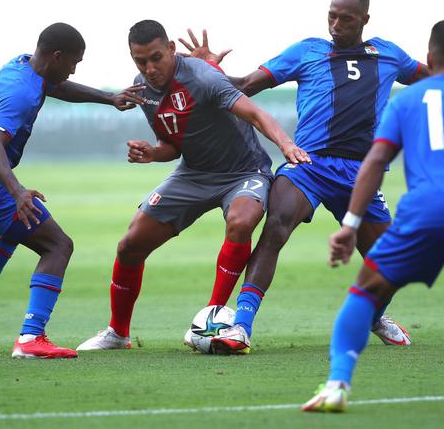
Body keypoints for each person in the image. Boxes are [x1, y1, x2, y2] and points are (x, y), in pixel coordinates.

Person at [179, 0, 444, 354]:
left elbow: (442, 77)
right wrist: (208, 69)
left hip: (359, 173)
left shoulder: (388, 54)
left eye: (346, 18)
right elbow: (243, 87)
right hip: (308, 164)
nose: (336, 24)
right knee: (276, 226)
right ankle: (240, 326)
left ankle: (374, 317)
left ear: (364, 20)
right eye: (331, 16)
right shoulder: (307, 51)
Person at [301, 18, 444, 413]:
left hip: (427, 212)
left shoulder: (407, 101)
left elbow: (375, 159)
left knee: (364, 291)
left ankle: (337, 384)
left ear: (428, 57)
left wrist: (351, 224)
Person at [76, 20, 310, 352]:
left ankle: (212, 317)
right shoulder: (143, 88)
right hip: (194, 174)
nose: (150, 68)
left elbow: (256, 114)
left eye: (156, 57)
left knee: (242, 222)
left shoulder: (204, 77)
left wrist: (286, 144)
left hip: (243, 171)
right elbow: (173, 144)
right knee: (130, 244)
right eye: (140, 61)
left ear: (171, 48)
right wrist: (153, 153)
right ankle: (117, 332)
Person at [0, 22, 146, 359]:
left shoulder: (21, 64)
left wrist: (108, 98)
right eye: (74, 62)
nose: (75, 69)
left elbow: (54, 85)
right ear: (58, 56)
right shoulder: (21, 93)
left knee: (14, 230)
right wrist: (18, 191)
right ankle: (31, 337)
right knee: (58, 245)